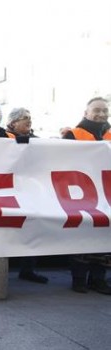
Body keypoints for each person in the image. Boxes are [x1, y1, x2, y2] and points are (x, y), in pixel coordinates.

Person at [62, 97, 111, 294]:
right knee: (82, 233)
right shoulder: (73, 134)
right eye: (96, 110)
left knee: (105, 235)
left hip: (107, 193)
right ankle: (79, 279)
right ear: (86, 113)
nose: (100, 114)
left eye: (104, 111)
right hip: (80, 192)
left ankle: (98, 279)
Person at [5, 107, 50, 284]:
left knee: (32, 229)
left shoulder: (37, 141)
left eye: (29, 118)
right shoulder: (2, 138)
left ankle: (28, 269)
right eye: (25, 118)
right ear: (13, 122)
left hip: (30, 190)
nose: (29, 121)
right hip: (8, 190)